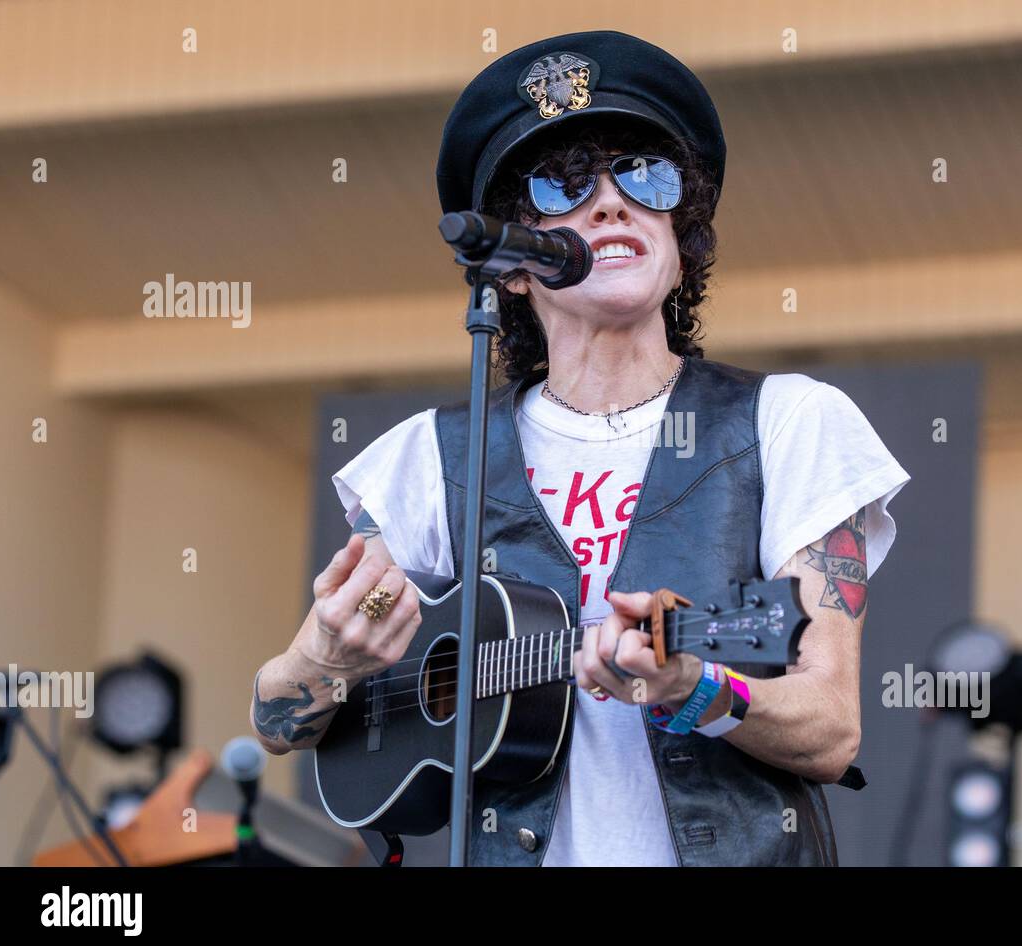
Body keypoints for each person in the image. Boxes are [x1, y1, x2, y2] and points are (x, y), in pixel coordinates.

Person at [250, 30, 910, 866]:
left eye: (647, 177)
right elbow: (278, 721)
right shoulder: (429, 457)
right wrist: (325, 655)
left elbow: (830, 730)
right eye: (565, 188)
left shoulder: (791, 423)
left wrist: (695, 685)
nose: (611, 203)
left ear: (683, 243)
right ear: (515, 269)